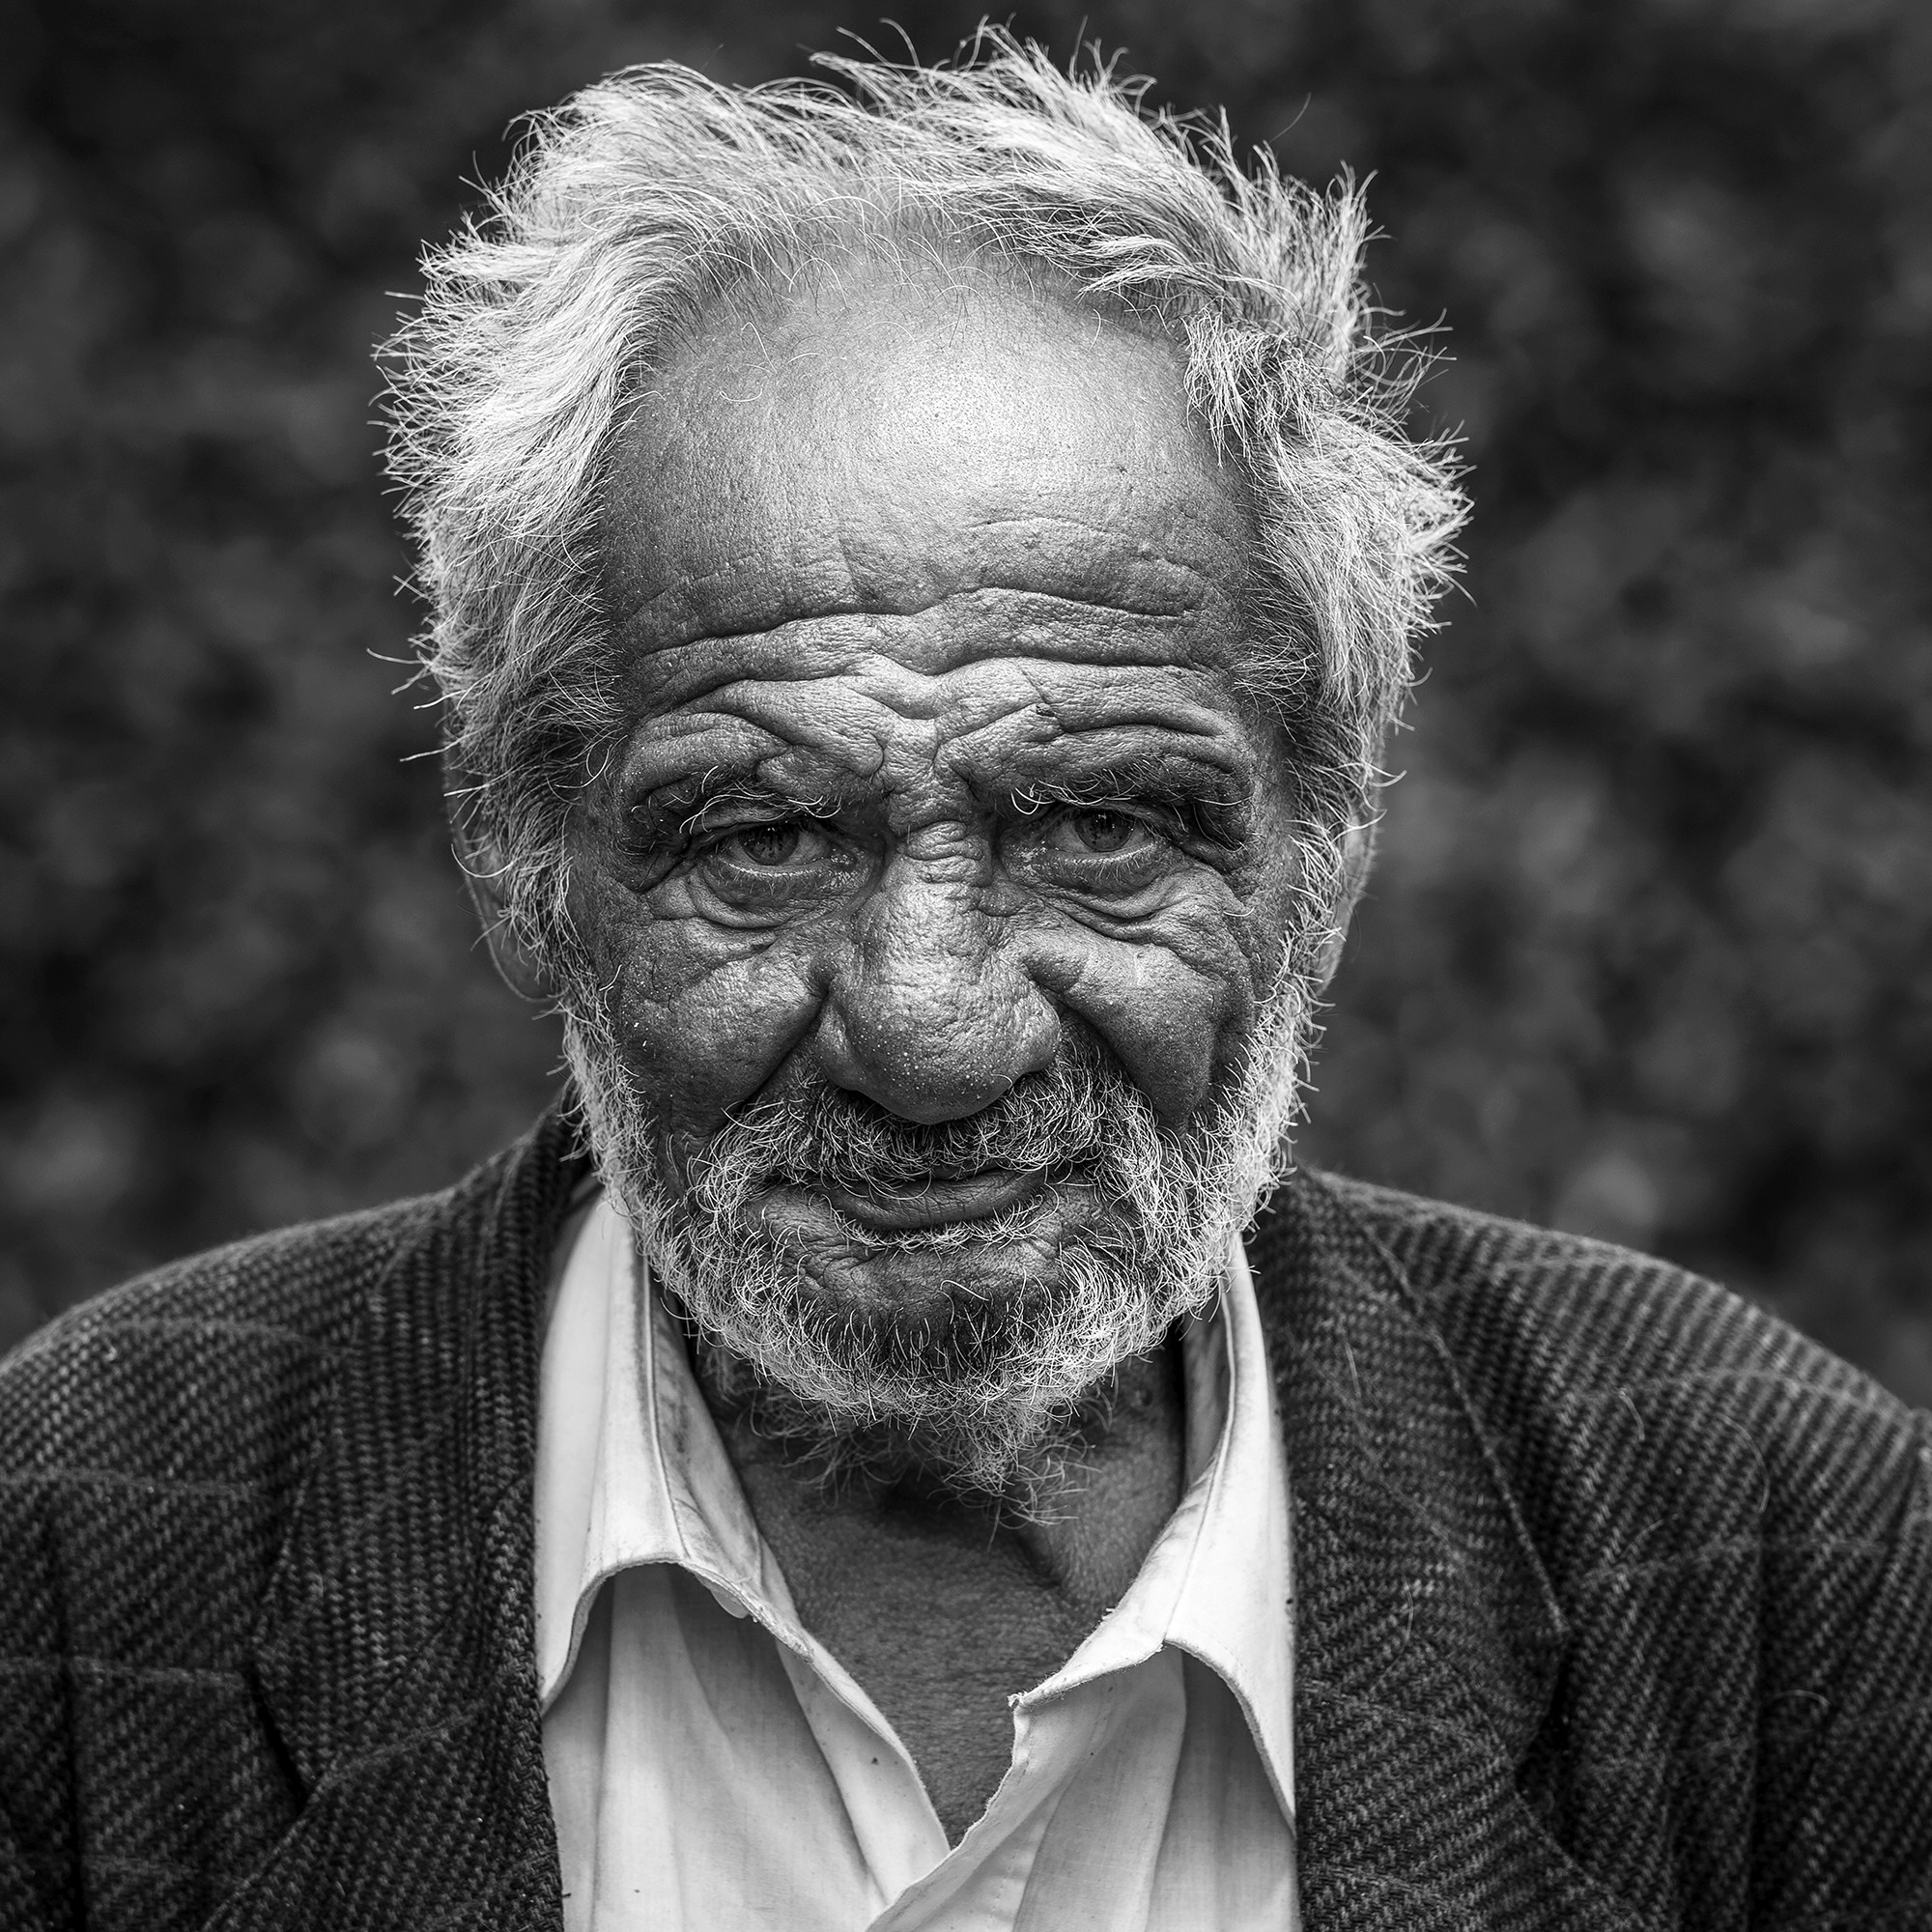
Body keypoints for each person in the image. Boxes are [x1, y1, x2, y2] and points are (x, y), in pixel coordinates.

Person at [2, 39, 1927, 1932]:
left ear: (1320, 850)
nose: (931, 1028)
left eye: (1097, 822)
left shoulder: (1796, 1578)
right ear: (525, 858)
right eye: (762, 836)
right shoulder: (81, 1565)